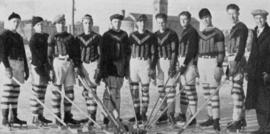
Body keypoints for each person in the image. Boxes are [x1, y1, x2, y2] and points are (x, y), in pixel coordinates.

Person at [48, 14, 83, 126]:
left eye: (63, 23)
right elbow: (48, 55)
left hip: (69, 63)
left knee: (70, 92)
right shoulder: (52, 37)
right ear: (56, 25)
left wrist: (77, 65)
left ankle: (67, 116)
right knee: (57, 92)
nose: (61, 25)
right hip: (57, 63)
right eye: (59, 23)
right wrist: (49, 69)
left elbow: (75, 53)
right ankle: (57, 117)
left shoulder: (70, 37)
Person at [197, 8, 225, 131]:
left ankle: (216, 120)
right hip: (201, 62)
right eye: (203, 18)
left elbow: (221, 52)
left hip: (212, 61)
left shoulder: (218, 32)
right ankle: (210, 117)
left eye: (207, 17)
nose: (205, 19)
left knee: (214, 93)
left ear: (211, 17)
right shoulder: (200, 33)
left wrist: (219, 66)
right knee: (206, 92)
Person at [0, 12, 29, 128]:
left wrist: (26, 69)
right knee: (7, 92)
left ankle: (14, 117)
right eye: (14, 21)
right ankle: (4, 118)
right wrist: (7, 67)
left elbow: (23, 53)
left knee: (15, 92)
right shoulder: (4, 35)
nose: (16, 24)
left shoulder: (19, 37)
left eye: (18, 21)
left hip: (19, 64)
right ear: (9, 22)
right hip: (9, 63)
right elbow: (2, 53)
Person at [100, 13, 130, 126]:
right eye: (115, 22)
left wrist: (126, 69)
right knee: (109, 92)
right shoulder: (106, 36)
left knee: (116, 92)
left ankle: (116, 115)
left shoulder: (124, 35)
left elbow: (127, 53)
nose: (117, 24)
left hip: (120, 68)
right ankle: (107, 115)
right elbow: (103, 54)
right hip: (110, 68)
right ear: (111, 23)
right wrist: (103, 70)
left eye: (119, 22)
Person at [128, 14, 158, 123]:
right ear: (137, 23)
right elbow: (127, 52)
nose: (142, 24)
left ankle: (143, 114)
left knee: (145, 90)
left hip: (145, 63)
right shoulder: (131, 36)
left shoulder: (151, 36)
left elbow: (155, 53)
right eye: (140, 22)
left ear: (147, 23)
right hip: (134, 63)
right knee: (134, 91)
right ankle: (137, 114)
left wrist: (152, 67)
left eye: (144, 22)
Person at [246, 9, 270, 134]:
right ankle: (262, 127)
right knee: (256, 100)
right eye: (257, 18)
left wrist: (268, 72)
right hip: (254, 72)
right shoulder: (254, 33)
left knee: (265, 101)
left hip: (264, 73)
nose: (259, 20)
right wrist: (247, 69)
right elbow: (251, 54)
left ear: (266, 19)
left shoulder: (269, 33)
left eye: (261, 18)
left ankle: (267, 128)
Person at [76, 14, 102, 129]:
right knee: (86, 92)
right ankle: (90, 115)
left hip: (93, 64)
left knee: (92, 91)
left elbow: (101, 54)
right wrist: (77, 67)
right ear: (83, 24)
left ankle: (92, 117)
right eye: (86, 23)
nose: (88, 25)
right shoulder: (78, 38)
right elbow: (76, 55)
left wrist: (98, 68)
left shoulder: (97, 37)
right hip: (83, 66)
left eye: (90, 23)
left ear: (92, 24)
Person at [225, 4, 249, 132]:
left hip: (237, 61)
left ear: (238, 13)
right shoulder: (232, 28)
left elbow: (240, 48)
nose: (232, 16)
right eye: (229, 14)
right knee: (238, 92)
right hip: (231, 60)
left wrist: (234, 64)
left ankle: (236, 120)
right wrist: (229, 67)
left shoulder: (241, 27)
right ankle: (241, 119)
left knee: (235, 93)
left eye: (234, 13)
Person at [175, 11, 199, 126]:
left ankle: (193, 117)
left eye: (185, 19)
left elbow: (192, 50)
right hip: (182, 61)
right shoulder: (184, 31)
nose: (183, 21)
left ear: (189, 20)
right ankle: (183, 114)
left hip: (189, 64)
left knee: (190, 90)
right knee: (183, 90)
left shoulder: (192, 32)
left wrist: (184, 65)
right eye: (181, 19)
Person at [154, 13, 179, 125]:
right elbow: (153, 53)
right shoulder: (154, 35)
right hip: (159, 63)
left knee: (170, 90)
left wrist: (172, 66)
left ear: (166, 22)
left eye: (163, 22)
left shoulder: (172, 34)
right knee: (161, 90)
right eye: (159, 22)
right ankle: (163, 113)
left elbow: (174, 51)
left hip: (169, 61)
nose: (161, 24)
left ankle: (171, 114)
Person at [29, 16, 52, 125]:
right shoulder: (33, 39)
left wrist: (48, 67)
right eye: (38, 25)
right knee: (37, 92)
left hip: (45, 67)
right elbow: (37, 56)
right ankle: (34, 116)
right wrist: (42, 68)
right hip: (37, 67)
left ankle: (40, 115)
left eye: (42, 24)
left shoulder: (47, 37)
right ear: (34, 27)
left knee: (43, 92)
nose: (41, 26)